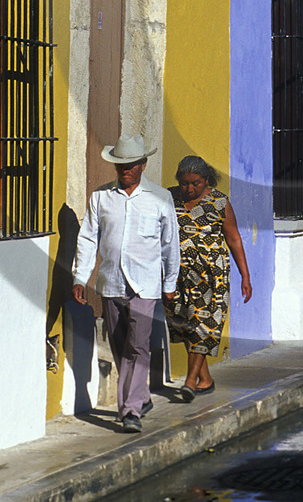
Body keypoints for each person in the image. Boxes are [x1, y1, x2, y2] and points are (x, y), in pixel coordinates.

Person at [71, 134, 182, 433]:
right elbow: (88, 239)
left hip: (145, 286)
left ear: (143, 165)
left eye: (132, 165)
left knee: (138, 347)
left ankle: (129, 411)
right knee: (120, 346)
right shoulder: (101, 197)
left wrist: (170, 282)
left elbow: (170, 244)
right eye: (121, 165)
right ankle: (141, 396)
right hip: (111, 283)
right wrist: (80, 276)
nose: (126, 170)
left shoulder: (160, 198)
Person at [166, 155, 251, 395]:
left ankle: (190, 382)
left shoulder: (220, 202)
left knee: (205, 325)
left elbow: (233, 238)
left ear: (206, 180)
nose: (190, 189)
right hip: (178, 276)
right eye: (184, 183)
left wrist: (245, 276)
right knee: (185, 327)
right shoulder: (169, 198)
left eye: (196, 183)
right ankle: (205, 379)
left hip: (212, 277)